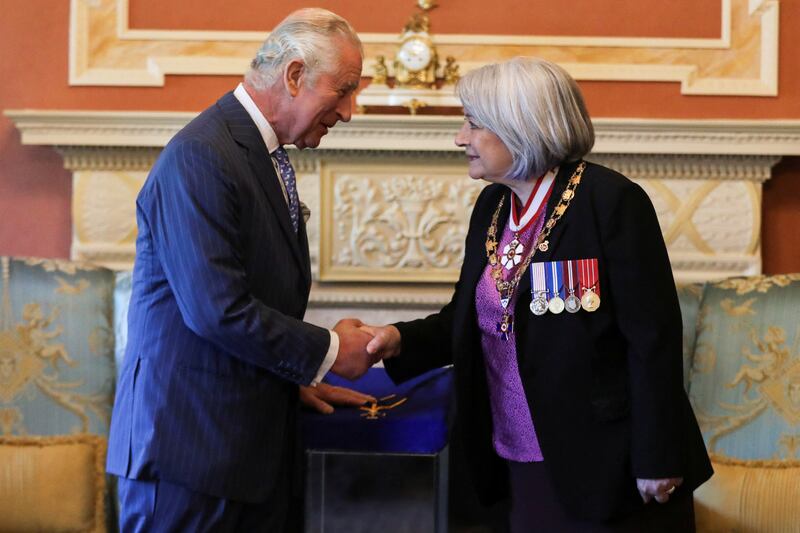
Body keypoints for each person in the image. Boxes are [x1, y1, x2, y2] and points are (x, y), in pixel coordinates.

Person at [361, 57, 713, 531]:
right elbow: (475, 318)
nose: (460, 137)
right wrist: (396, 339)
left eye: (474, 123)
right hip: (515, 458)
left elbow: (653, 340)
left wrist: (657, 455)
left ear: (521, 126)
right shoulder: (493, 205)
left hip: (608, 467)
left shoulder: (609, 202)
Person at [106, 9, 378, 532]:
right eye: (343, 90)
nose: (349, 110)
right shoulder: (201, 156)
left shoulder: (257, 152)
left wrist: (292, 379)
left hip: (243, 451)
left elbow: (255, 294)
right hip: (190, 457)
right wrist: (326, 352)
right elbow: (217, 311)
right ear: (294, 75)